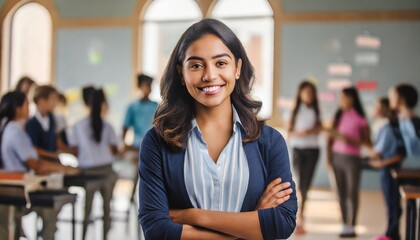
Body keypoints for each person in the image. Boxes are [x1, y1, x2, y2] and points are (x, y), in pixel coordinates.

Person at [138, 19, 297, 240]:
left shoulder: (270, 142)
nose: (209, 75)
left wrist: (193, 216)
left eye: (221, 63)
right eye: (195, 65)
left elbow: (282, 223)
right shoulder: (157, 142)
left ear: (238, 68)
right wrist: (251, 226)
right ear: (181, 74)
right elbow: (157, 230)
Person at [0, 91, 78, 240]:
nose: (29, 108)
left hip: (21, 186)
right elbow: (37, 165)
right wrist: (65, 169)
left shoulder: (15, 129)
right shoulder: (16, 132)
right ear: (18, 109)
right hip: (18, 190)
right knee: (50, 212)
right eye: (26, 104)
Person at [68, 88, 119, 240]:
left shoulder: (78, 126)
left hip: (87, 172)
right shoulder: (108, 125)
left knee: (86, 210)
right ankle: (104, 237)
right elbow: (115, 149)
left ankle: (82, 237)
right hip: (107, 170)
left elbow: (74, 149)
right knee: (107, 210)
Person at [326, 87, 371, 238]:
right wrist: (328, 158)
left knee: (352, 192)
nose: (342, 100)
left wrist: (348, 140)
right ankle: (344, 223)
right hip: (337, 157)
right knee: (340, 192)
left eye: (345, 97)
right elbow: (330, 138)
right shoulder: (338, 115)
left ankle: (353, 224)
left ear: (352, 98)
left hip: (353, 159)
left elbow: (366, 142)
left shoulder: (360, 118)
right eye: (341, 97)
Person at [366, 98, 404, 240]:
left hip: (389, 169)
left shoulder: (387, 127)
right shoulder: (387, 126)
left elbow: (378, 152)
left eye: (376, 105)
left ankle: (391, 233)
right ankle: (392, 232)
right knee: (392, 202)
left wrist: (362, 144)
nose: (373, 108)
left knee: (392, 203)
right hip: (389, 168)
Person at [288, 80, 321, 235]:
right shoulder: (295, 111)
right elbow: (290, 133)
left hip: (313, 150)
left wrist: (315, 130)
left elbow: (320, 129)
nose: (309, 96)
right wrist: (303, 133)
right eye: (306, 92)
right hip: (299, 150)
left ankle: (302, 217)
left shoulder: (316, 111)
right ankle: (297, 217)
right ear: (300, 94)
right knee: (299, 184)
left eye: (311, 93)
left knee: (306, 186)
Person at [25, 85, 62, 161]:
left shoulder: (51, 118)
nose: (55, 102)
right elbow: (33, 148)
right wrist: (52, 155)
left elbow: (56, 142)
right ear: (41, 101)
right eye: (53, 99)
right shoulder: (31, 124)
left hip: (53, 163)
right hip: (40, 164)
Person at [122, 74, 158, 149]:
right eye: (147, 85)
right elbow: (125, 127)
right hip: (137, 146)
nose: (149, 88)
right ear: (139, 86)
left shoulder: (156, 106)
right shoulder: (132, 107)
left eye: (150, 85)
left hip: (153, 146)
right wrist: (123, 144)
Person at [389, 83, 420, 157]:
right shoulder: (397, 120)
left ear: (402, 98)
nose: (390, 99)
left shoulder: (413, 122)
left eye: (392, 96)